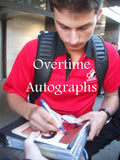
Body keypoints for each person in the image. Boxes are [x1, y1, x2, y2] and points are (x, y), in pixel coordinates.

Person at [3, 0, 120, 159]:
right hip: (39, 140)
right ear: (54, 14)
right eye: (63, 26)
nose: (73, 40)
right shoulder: (32, 50)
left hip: (78, 143)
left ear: (98, 15)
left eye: (83, 27)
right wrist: (29, 110)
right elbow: (14, 94)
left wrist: (104, 114)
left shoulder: (108, 54)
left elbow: (112, 95)